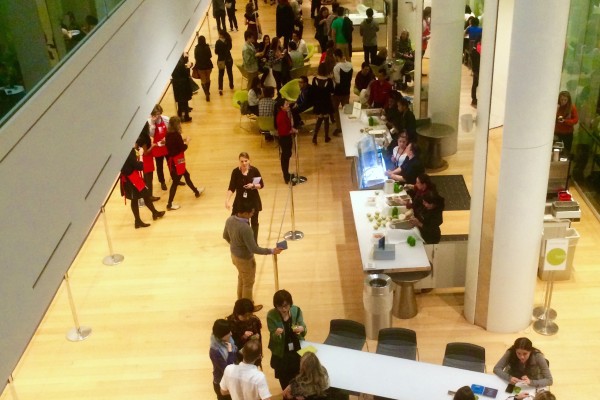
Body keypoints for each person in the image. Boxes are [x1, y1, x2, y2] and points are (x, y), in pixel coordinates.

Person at [223, 200, 284, 302]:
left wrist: (235, 246)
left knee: (242, 279)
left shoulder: (229, 220)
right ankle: (247, 308)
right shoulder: (246, 228)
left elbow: (225, 236)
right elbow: (254, 248)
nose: (252, 214)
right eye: (251, 212)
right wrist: (272, 250)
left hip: (234, 256)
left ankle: (240, 303)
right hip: (245, 260)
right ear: (245, 213)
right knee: (248, 283)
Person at [267, 289, 306, 390]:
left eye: (286, 305)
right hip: (282, 352)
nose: (284, 309)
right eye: (280, 306)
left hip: (297, 349)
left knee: (299, 376)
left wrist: (302, 329)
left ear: (290, 303)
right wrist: (276, 334)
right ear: (276, 305)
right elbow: (273, 336)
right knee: (284, 380)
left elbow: (303, 327)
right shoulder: (271, 315)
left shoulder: (296, 310)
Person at [165, 116, 204, 211]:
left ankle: (196, 191)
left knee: (186, 175)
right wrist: (187, 142)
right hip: (178, 161)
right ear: (177, 124)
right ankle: (169, 204)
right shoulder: (177, 135)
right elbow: (182, 148)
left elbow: (174, 144)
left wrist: (183, 141)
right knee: (175, 182)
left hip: (173, 160)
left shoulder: (168, 134)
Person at [120, 147, 165, 228]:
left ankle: (154, 213)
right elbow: (139, 166)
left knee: (144, 195)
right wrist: (141, 155)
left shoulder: (124, 150)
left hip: (131, 177)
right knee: (136, 199)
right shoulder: (128, 152)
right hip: (131, 179)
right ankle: (138, 221)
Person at [226, 152, 264, 243]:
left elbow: (261, 185)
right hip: (241, 201)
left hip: (253, 200)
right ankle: (243, 241)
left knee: (254, 222)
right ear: (239, 161)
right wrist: (227, 200)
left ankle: (254, 242)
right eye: (242, 161)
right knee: (241, 222)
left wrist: (253, 185)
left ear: (249, 160)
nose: (244, 163)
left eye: (245, 161)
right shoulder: (235, 172)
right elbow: (231, 187)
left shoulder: (254, 171)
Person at [226, 298, 263, 364]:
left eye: (250, 315)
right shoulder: (230, 323)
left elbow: (259, 339)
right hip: (238, 358)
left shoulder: (254, 320)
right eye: (245, 316)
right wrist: (243, 337)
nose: (248, 318)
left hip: (252, 355)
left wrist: (259, 353)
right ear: (237, 313)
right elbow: (230, 344)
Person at [210, 319, 237, 400]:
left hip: (232, 380)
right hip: (221, 383)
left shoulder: (227, 339)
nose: (231, 334)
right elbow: (227, 370)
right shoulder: (215, 351)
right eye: (228, 333)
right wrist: (230, 352)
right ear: (221, 335)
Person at [135, 122, 160, 202]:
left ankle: (146, 195)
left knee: (146, 179)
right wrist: (152, 146)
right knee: (149, 179)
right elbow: (146, 152)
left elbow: (136, 147)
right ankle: (149, 196)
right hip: (147, 159)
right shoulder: (145, 138)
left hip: (143, 159)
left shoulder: (139, 137)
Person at [148, 104, 170, 191]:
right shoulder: (149, 122)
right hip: (157, 147)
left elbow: (168, 130)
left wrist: (166, 138)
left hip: (166, 145)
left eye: (159, 113)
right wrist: (153, 124)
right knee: (159, 166)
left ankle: (175, 178)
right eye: (156, 114)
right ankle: (162, 182)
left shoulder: (165, 119)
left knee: (170, 162)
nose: (157, 116)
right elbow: (151, 135)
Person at [331, 48, 353, 136]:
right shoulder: (350, 65)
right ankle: (347, 126)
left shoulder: (336, 67)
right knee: (346, 109)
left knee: (336, 109)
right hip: (347, 90)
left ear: (336, 56)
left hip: (338, 92)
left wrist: (331, 77)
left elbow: (338, 81)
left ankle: (339, 127)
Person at [311, 63, 334, 145]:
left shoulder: (314, 80)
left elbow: (313, 92)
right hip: (326, 102)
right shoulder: (329, 81)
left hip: (318, 102)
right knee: (326, 119)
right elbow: (332, 91)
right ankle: (326, 137)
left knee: (319, 118)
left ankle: (315, 136)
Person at [275, 99, 298, 183]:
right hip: (284, 139)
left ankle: (287, 174)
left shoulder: (284, 114)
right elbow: (283, 131)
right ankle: (286, 177)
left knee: (286, 156)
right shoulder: (281, 116)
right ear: (281, 107)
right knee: (285, 157)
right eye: (286, 104)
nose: (288, 105)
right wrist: (293, 131)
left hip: (286, 138)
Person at [554, 90, 579, 155]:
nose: (563, 101)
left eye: (565, 100)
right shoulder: (556, 106)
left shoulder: (572, 108)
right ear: (559, 99)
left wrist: (565, 121)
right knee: (556, 151)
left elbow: (576, 120)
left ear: (568, 100)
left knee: (566, 152)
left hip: (567, 134)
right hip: (557, 133)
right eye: (561, 99)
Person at [171, 54, 193, 122]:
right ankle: (186, 116)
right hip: (183, 84)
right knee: (185, 101)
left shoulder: (172, 64)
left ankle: (180, 115)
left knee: (180, 101)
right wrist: (188, 68)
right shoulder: (180, 64)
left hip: (176, 84)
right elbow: (186, 74)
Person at [193, 35, 214, 102]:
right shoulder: (207, 47)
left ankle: (206, 93)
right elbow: (210, 56)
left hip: (200, 66)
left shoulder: (196, 48)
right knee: (208, 79)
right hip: (208, 65)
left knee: (203, 80)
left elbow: (196, 57)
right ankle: (208, 91)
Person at [215, 30, 235, 96]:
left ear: (221, 35)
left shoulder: (218, 42)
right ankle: (231, 85)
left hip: (221, 60)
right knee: (230, 72)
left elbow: (216, 52)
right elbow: (230, 48)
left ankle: (220, 88)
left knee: (221, 74)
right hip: (228, 58)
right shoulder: (228, 40)